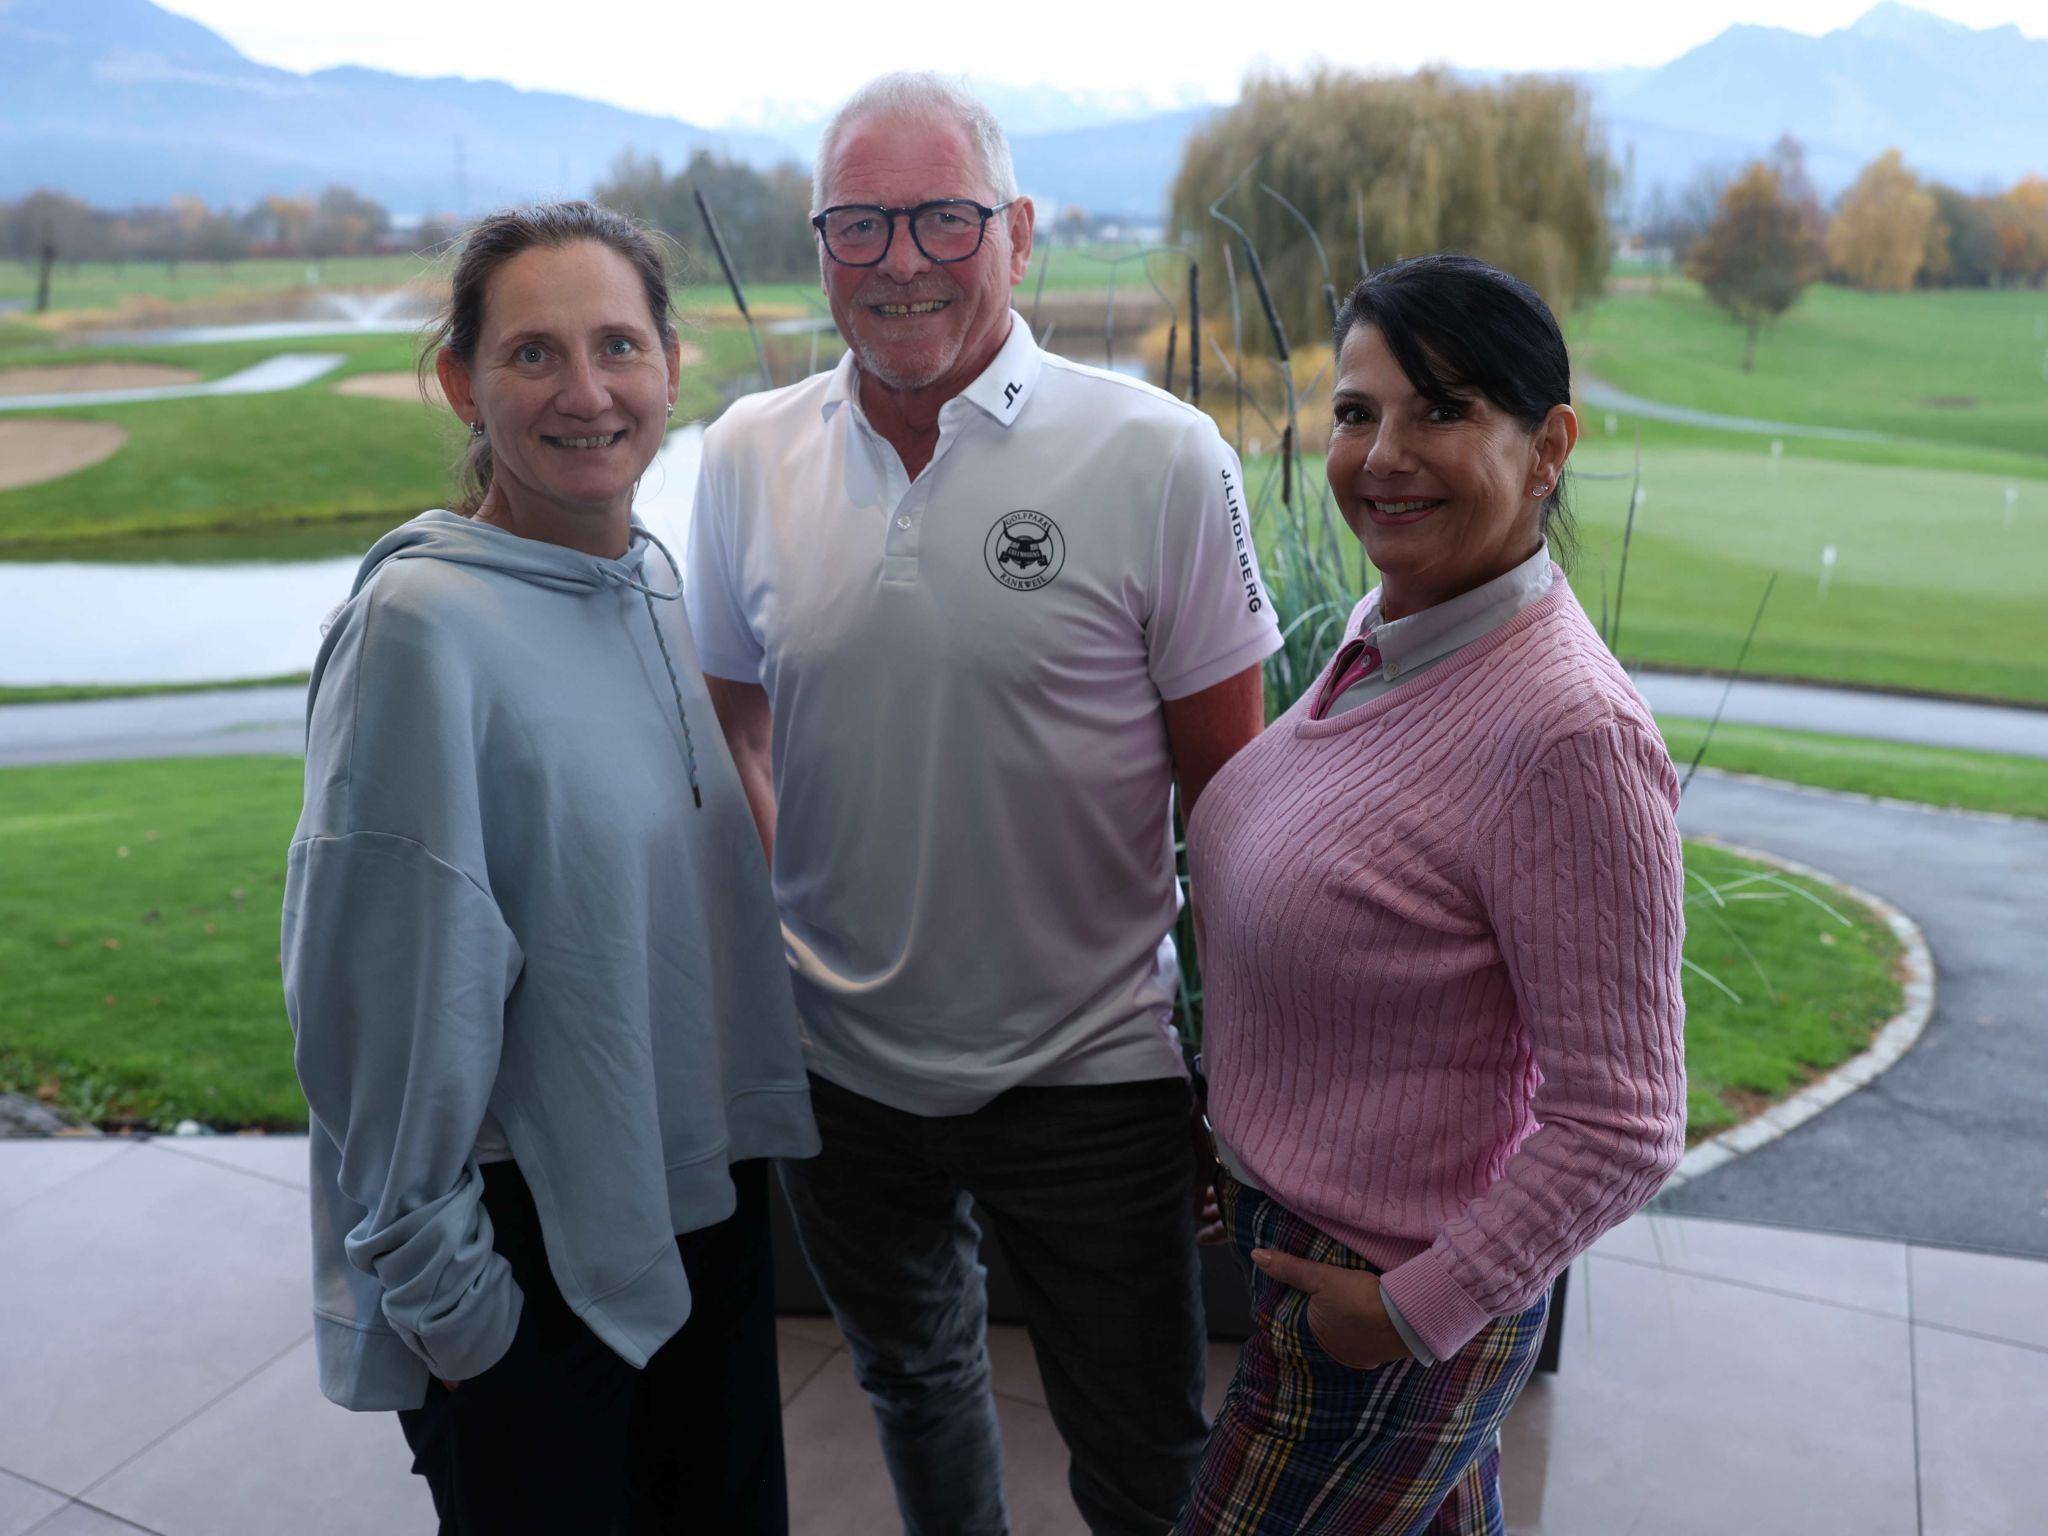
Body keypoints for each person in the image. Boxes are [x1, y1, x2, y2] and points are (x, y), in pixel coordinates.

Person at [685, 72, 1283, 1536]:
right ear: (820, 245)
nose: (899, 262)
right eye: (858, 225)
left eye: (942, 219)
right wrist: (799, 956)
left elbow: (1234, 803)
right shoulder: (745, 453)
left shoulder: (1158, 455)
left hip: (1091, 1075)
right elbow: (732, 727)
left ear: (1015, 231)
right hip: (840, 1080)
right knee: (913, 1383)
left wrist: (1238, 1073)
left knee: (1144, 1454)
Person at [280, 200, 817, 1536]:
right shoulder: (419, 631)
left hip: (696, 1207)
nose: (586, 392)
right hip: (528, 1256)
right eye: (532, 354)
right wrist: (465, 1322)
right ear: (462, 382)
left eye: (617, 345)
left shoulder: (652, 582)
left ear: (672, 368)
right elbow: (369, 1017)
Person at [1175, 253, 1688, 1536]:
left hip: (1384, 1295)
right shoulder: (1394, 630)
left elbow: (1622, 1123)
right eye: (1356, 413)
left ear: (1547, 446)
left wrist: (1411, 1312)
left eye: (1442, 410)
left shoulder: (1566, 733)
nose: (1382, 456)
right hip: (1313, 1246)